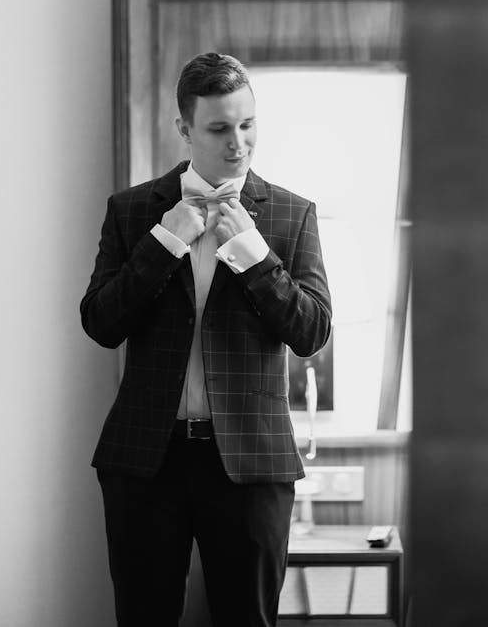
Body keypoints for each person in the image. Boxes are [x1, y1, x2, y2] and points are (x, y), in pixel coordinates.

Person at [80, 52, 332, 626]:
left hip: (252, 460)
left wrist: (254, 255)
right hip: (146, 458)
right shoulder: (131, 211)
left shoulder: (293, 215)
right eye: (219, 128)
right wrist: (163, 244)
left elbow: (312, 331)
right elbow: (100, 323)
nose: (238, 144)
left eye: (248, 125)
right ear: (185, 129)